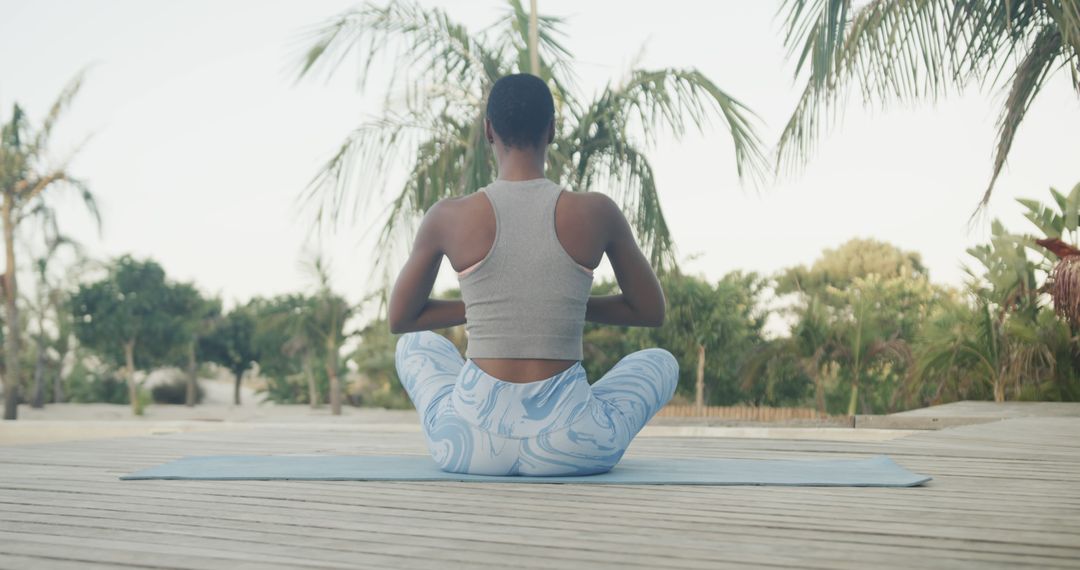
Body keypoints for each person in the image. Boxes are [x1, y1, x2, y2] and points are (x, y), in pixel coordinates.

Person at [390, 73, 678, 476]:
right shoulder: (596, 211)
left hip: (468, 447)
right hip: (573, 445)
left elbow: (401, 319)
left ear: (489, 131)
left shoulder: (448, 216)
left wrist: (488, 308)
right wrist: (562, 304)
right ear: (553, 130)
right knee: (660, 362)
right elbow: (651, 311)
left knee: (415, 345)